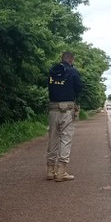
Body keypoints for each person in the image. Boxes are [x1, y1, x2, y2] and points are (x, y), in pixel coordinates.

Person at [46, 51, 82, 182]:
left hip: (52, 108)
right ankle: (61, 172)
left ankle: (50, 170)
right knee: (65, 138)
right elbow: (79, 88)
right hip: (67, 109)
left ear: (61, 58)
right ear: (71, 60)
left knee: (53, 138)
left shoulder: (52, 71)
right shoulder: (73, 72)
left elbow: (49, 86)